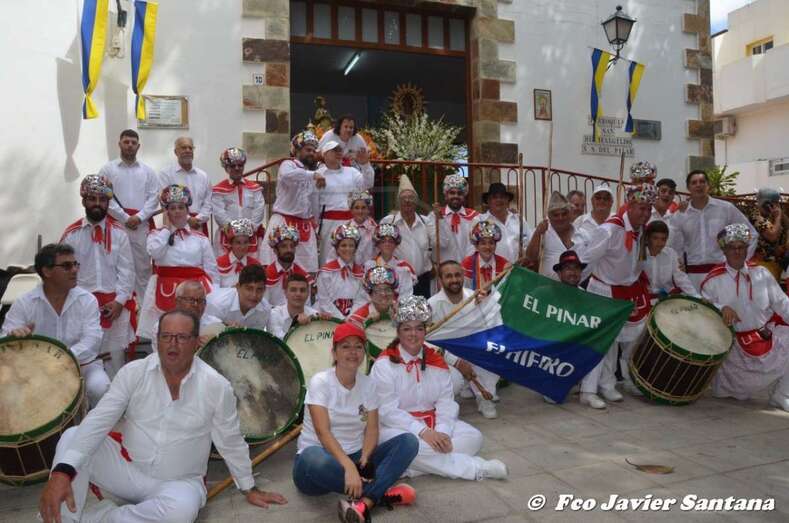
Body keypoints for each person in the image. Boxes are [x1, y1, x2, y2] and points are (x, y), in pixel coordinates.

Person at [37, 310, 287, 523]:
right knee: (73, 436)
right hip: (128, 471)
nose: (173, 344)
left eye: (181, 337)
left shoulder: (216, 386)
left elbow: (229, 441)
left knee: (181, 513)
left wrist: (248, 487)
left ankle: (103, 518)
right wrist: (62, 472)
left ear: (195, 341)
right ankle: (64, 518)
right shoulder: (133, 373)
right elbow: (98, 420)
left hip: (179, 483)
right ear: (157, 340)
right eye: (166, 336)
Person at [370, 296, 508, 480]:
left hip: (433, 423)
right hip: (394, 429)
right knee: (408, 446)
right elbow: (387, 411)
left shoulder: (436, 361)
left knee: (474, 437)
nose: (413, 334)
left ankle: (409, 467)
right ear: (398, 332)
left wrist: (442, 432)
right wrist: (423, 432)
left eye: (419, 328)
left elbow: (446, 403)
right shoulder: (384, 365)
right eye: (407, 329)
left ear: (425, 331)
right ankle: (477, 469)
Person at [293, 322, 418, 523]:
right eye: (345, 346)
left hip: (356, 457)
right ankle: (380, 493)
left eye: (358, 347)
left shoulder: (369, 384)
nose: (353, 352)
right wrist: (349, 468)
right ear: (334, 353)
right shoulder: (320, 382)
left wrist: (365, 459)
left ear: (364, 353)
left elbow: (372, 429)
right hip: (318, 464)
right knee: (312, 458)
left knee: (409, 442)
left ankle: (364, 503)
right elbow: (323, 433)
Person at [576, 182, 657, 408]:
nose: (645, 213)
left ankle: (608, 384)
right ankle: (588, 391)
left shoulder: (641, 230)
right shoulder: (610, 229)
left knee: (624, 341)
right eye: (641, 208)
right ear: (629, 206)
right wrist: (574, 285)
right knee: (601, 342)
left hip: (626, 291)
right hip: (603, 290)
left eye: (649, 209)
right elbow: (587, 257)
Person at [1, 243, 109, 408]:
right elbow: (4, 342)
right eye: (66, 266)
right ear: (47, 271)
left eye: (75, 264)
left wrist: (59, 359)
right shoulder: (24, 303)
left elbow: (92, 341)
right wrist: (14, 336)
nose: (74, 270)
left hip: (83, 366)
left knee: (100, 388)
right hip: (36, 370)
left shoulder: (87, 300)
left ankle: (95, 433)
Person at [700, 224, 789, 411]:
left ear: (748, 249)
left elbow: (783, 304)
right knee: (733, 395)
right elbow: (703, 309)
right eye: (732, 247)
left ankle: (782, 395)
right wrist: (720, 307)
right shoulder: (713, 280)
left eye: (741, 247)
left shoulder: (762, 274)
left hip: (763, 339)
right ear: (724, 250)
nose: (737, 251)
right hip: (734, 351)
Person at [60, 175, 136, 377]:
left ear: (108, 202)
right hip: (80, 309)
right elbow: (63, 275)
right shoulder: (71, 234)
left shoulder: (120, 233)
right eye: (92, 199)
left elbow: (127, 271)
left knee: (115, 366)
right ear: (84, 200)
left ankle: (117, 407)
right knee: (80, 365)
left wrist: (120, 302)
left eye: (102, 199)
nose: (97, 204)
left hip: (114, 308)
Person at [138, 185, 218, 340]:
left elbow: (212, 270)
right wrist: (167, 230)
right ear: (166, 211)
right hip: (166, 290)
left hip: (196, 290)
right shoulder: (156, 235)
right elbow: (155, 253)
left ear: (187, 210)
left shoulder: (200, 238)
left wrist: (213, 294)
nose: (177, 211)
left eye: (181, 207)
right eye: (172, 208)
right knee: (166, 331)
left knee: (198, 332)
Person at [428, 261, 500, 419]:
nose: (454, 280)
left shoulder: (475, 298)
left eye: (457, 275)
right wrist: (456, 361)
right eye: (448, 276)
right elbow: (428, 343)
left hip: (473, 349)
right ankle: (459, 391)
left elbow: (485, 328)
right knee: (453, 382)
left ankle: (483, 397)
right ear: (440, 280)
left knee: (491, 353)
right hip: (448, 357)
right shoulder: (432, 305)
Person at [670, 169, 757, 289]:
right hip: (692, 277)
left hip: (722, 274)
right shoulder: (680, 215)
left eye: (702, 181)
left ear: (708, 185)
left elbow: (751, 234)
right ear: (688, 188)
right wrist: (678, 267)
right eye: (694, 182)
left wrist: (741, 260)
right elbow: (674, 246)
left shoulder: (725, 209)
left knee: (724, 308)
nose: (698, 185)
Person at [99, 129, 160, 300]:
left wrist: (139, 217)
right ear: (119, 144)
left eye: (133, 143)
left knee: (142, 268)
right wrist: (125, 218)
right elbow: (104, 196)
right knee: (118, 265)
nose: (130, 145)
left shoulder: (148, 171)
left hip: (141, 226)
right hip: (117, 224)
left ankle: (143, 309)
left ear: (138, 146)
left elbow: (153, 197)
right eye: (126, 142)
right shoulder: (107, 169)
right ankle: (122, 304)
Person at [258, 130, 324, 273]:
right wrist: (313, 175)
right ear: (297, 150)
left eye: (313, 151)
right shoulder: (287, 164)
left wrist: (316, 224)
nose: (311, 153)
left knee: (307, 270)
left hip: (305, 225)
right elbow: (288, 176)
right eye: (308, 150)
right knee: (274, 268)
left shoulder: (312, 174)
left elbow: (313, 200)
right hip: (283, 221)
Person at [315, 140, 374, 267]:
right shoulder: (318, 175)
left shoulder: (351, 172)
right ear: (325, 154)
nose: (338, 153)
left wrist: (365, 165)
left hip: (351, 223)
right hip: (327, 225)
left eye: (339, 150)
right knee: (328, 260)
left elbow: (367, 184)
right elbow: (314, 203)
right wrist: (315, 228)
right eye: (334, 150)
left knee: (352, 259)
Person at [379, 175, 436, 298]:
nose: (407, 201)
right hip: (397, 280)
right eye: (404, 198)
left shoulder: (426, 222)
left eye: (411, 198)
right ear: (398, 202)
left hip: (423, 280)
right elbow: (379, 247)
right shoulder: (389, 221)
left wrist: (440, 221)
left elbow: (439, 243)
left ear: (416, 201)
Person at [211, 147, 266, 255]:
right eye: (232, 166)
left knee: (251, 269)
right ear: (226, 168)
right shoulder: (218, 190)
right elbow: (219, 214)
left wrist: (251, 229)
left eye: (240, 165)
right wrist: (233, 231)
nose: (237, 168)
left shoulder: (255, 188)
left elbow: (259, 209)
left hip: (250, 237)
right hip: (227, 237)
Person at [158, 137, 212, 234]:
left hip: (199, 226)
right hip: (175, 226)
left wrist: (199, 219)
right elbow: (164, 202)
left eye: (190, 148)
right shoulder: (166, 174)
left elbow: (208, 203)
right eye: (183, 148)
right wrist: (188, 219)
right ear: (175, 152)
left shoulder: (203, 176)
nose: (187, 150)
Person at [150, 281, 224, 351]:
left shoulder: (216, 324)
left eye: (200, 301)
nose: (196, 305)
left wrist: (214, 345)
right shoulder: (162, 327)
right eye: (191, 300)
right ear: (178, 301)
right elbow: (163, 360)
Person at [641, 220, 699, 305]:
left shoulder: (671, 254)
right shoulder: (638, 254)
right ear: (647, 238)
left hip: (667, 300)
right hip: (644, 301)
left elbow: (681, 279)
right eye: (655, 238)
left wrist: (696, 297)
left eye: (663, 239)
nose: (659, 243)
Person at [317, 223, 367, 320]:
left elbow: (361, 299)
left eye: (351, 245)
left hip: (354, 319)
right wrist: (340, 319)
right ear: (337, 249)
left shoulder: (361, 273)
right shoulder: (326, 272)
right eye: (343, 245)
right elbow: (324, 300)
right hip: (330, 319)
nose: (347, 249)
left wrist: (351, 318)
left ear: (355, 249)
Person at [524, 192, 576, 281]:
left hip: (574, 289)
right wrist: (537, 233)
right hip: (547, 288)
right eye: (556, 215)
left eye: (564, 214)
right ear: (549, 216)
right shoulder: (543, 231)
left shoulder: (582, 234)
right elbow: (530, 257)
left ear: (570, 214)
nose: (560, 218)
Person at [478, 182, 533, 264]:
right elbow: (475, 249)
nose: (499, 200)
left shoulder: (519, 220)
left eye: (502, 197)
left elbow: (529, 242)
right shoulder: (481, 221)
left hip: (518, 271)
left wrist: (525, 256)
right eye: (494, 197)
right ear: (488, 201)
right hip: (493, 272)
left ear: (507, 200)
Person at [206, 264, 272, 330]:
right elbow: (207, 332)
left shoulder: (265, 310)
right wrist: (224, 328)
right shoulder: (217, 304)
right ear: (238, 287)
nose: (254, 295)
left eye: (259, 289)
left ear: (264, 290)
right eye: (249, 288)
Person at [433, 174, 479, 267]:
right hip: (444, 271)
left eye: (459, 193)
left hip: (468, 269)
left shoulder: (474, 217)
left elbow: (474, 245)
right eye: (452, 193)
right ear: (446, 194)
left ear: (464, 195)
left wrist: (466, 265)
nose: (456, 196)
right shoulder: (435, 215)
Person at [263, 224, 313, 307]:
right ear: (275, 250)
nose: (289, 250)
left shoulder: (303, 276)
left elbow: (307, 306)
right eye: (284, 246)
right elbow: (264, 306)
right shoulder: (266, 275)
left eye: (292, 246)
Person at [364, 224, 416, 299]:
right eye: (383, 241)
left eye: (391, 241)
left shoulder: (404, 267)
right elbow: (366, 292)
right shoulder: (369, 266)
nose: (387, 244)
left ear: (396, 244)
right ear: (377, 244)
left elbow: (406, 294)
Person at [748, 187, 789, 280]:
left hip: (775, 261)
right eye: (775, 203)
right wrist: (778, 218)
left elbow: (787, 225)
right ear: (766, 203)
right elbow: (772, 236)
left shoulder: (770, 214)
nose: (777, 205)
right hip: (762, 263)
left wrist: (781, 214)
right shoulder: (755, 216)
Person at [268, 273, 321, 339]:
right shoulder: (274, 314)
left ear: (308, 294)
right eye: (293, 290)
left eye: (302, 290)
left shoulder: (314, 314)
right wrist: (295, 323)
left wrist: (326, 324)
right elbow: (279, 341)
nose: (298, 294)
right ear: (285, 293)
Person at [461, 221, 509, 290]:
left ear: (495, 245)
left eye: (491, 243)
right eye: (483, 243)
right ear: (476, 246)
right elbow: (464, 290)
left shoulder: (503, 264)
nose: (487, 247)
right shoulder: (467, 264)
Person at [216, 218, 263, 288]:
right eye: (238, 243)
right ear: (230, 244)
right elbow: (215, 291)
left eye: (246, 242)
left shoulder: (255, 265)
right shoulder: (218, 264)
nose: (242, 246)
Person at [346, 190, 377, 265]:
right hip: (351, 271)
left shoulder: (375, 229)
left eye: (363, 208)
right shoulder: (344, 229)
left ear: (368, 210)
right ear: (351, 210)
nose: (360, 211)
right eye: (356, 208)